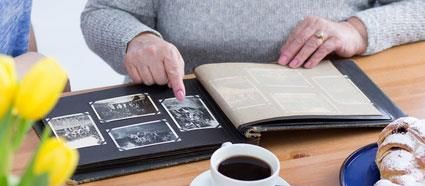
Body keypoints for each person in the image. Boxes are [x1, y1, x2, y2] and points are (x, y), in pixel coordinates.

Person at [81, 0, 425, 101]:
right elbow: (103, 12)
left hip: (324, 104)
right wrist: (137, 39)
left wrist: (359, 30)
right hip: (181, 101)